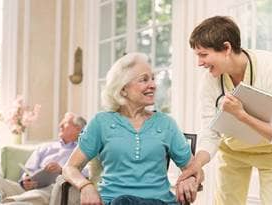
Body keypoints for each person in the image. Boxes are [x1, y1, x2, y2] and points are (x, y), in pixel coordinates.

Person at [62, 52, 203, 205]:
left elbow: (195, 169)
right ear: (123, 89)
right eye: (144, 80)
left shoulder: (166, 124)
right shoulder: (101, 123)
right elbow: (70, 168)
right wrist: (86, 186)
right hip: (113, 201)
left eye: (153, 79)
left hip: (158, 202)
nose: (153, 85)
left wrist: (190, 179)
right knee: (122, 201)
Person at [177, 16, 272, 205]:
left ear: (227, 48)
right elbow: (210, 131)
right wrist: (197, 164)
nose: (199, 63)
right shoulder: (210, 81)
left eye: (203, 55)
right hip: (232, 152)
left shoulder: (269, 67)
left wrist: (241, 115)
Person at [0, 112, 87, 205]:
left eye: (65, 123)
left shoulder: (83, 151)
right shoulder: (45, 147)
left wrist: (62, 170)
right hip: (28, 188)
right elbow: (28, 169)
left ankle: (10, 201)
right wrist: (25, 180)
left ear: (77, 128)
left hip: (53, 190)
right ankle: (10, 201)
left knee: (45, 192)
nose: (60, 125)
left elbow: (86, 174)